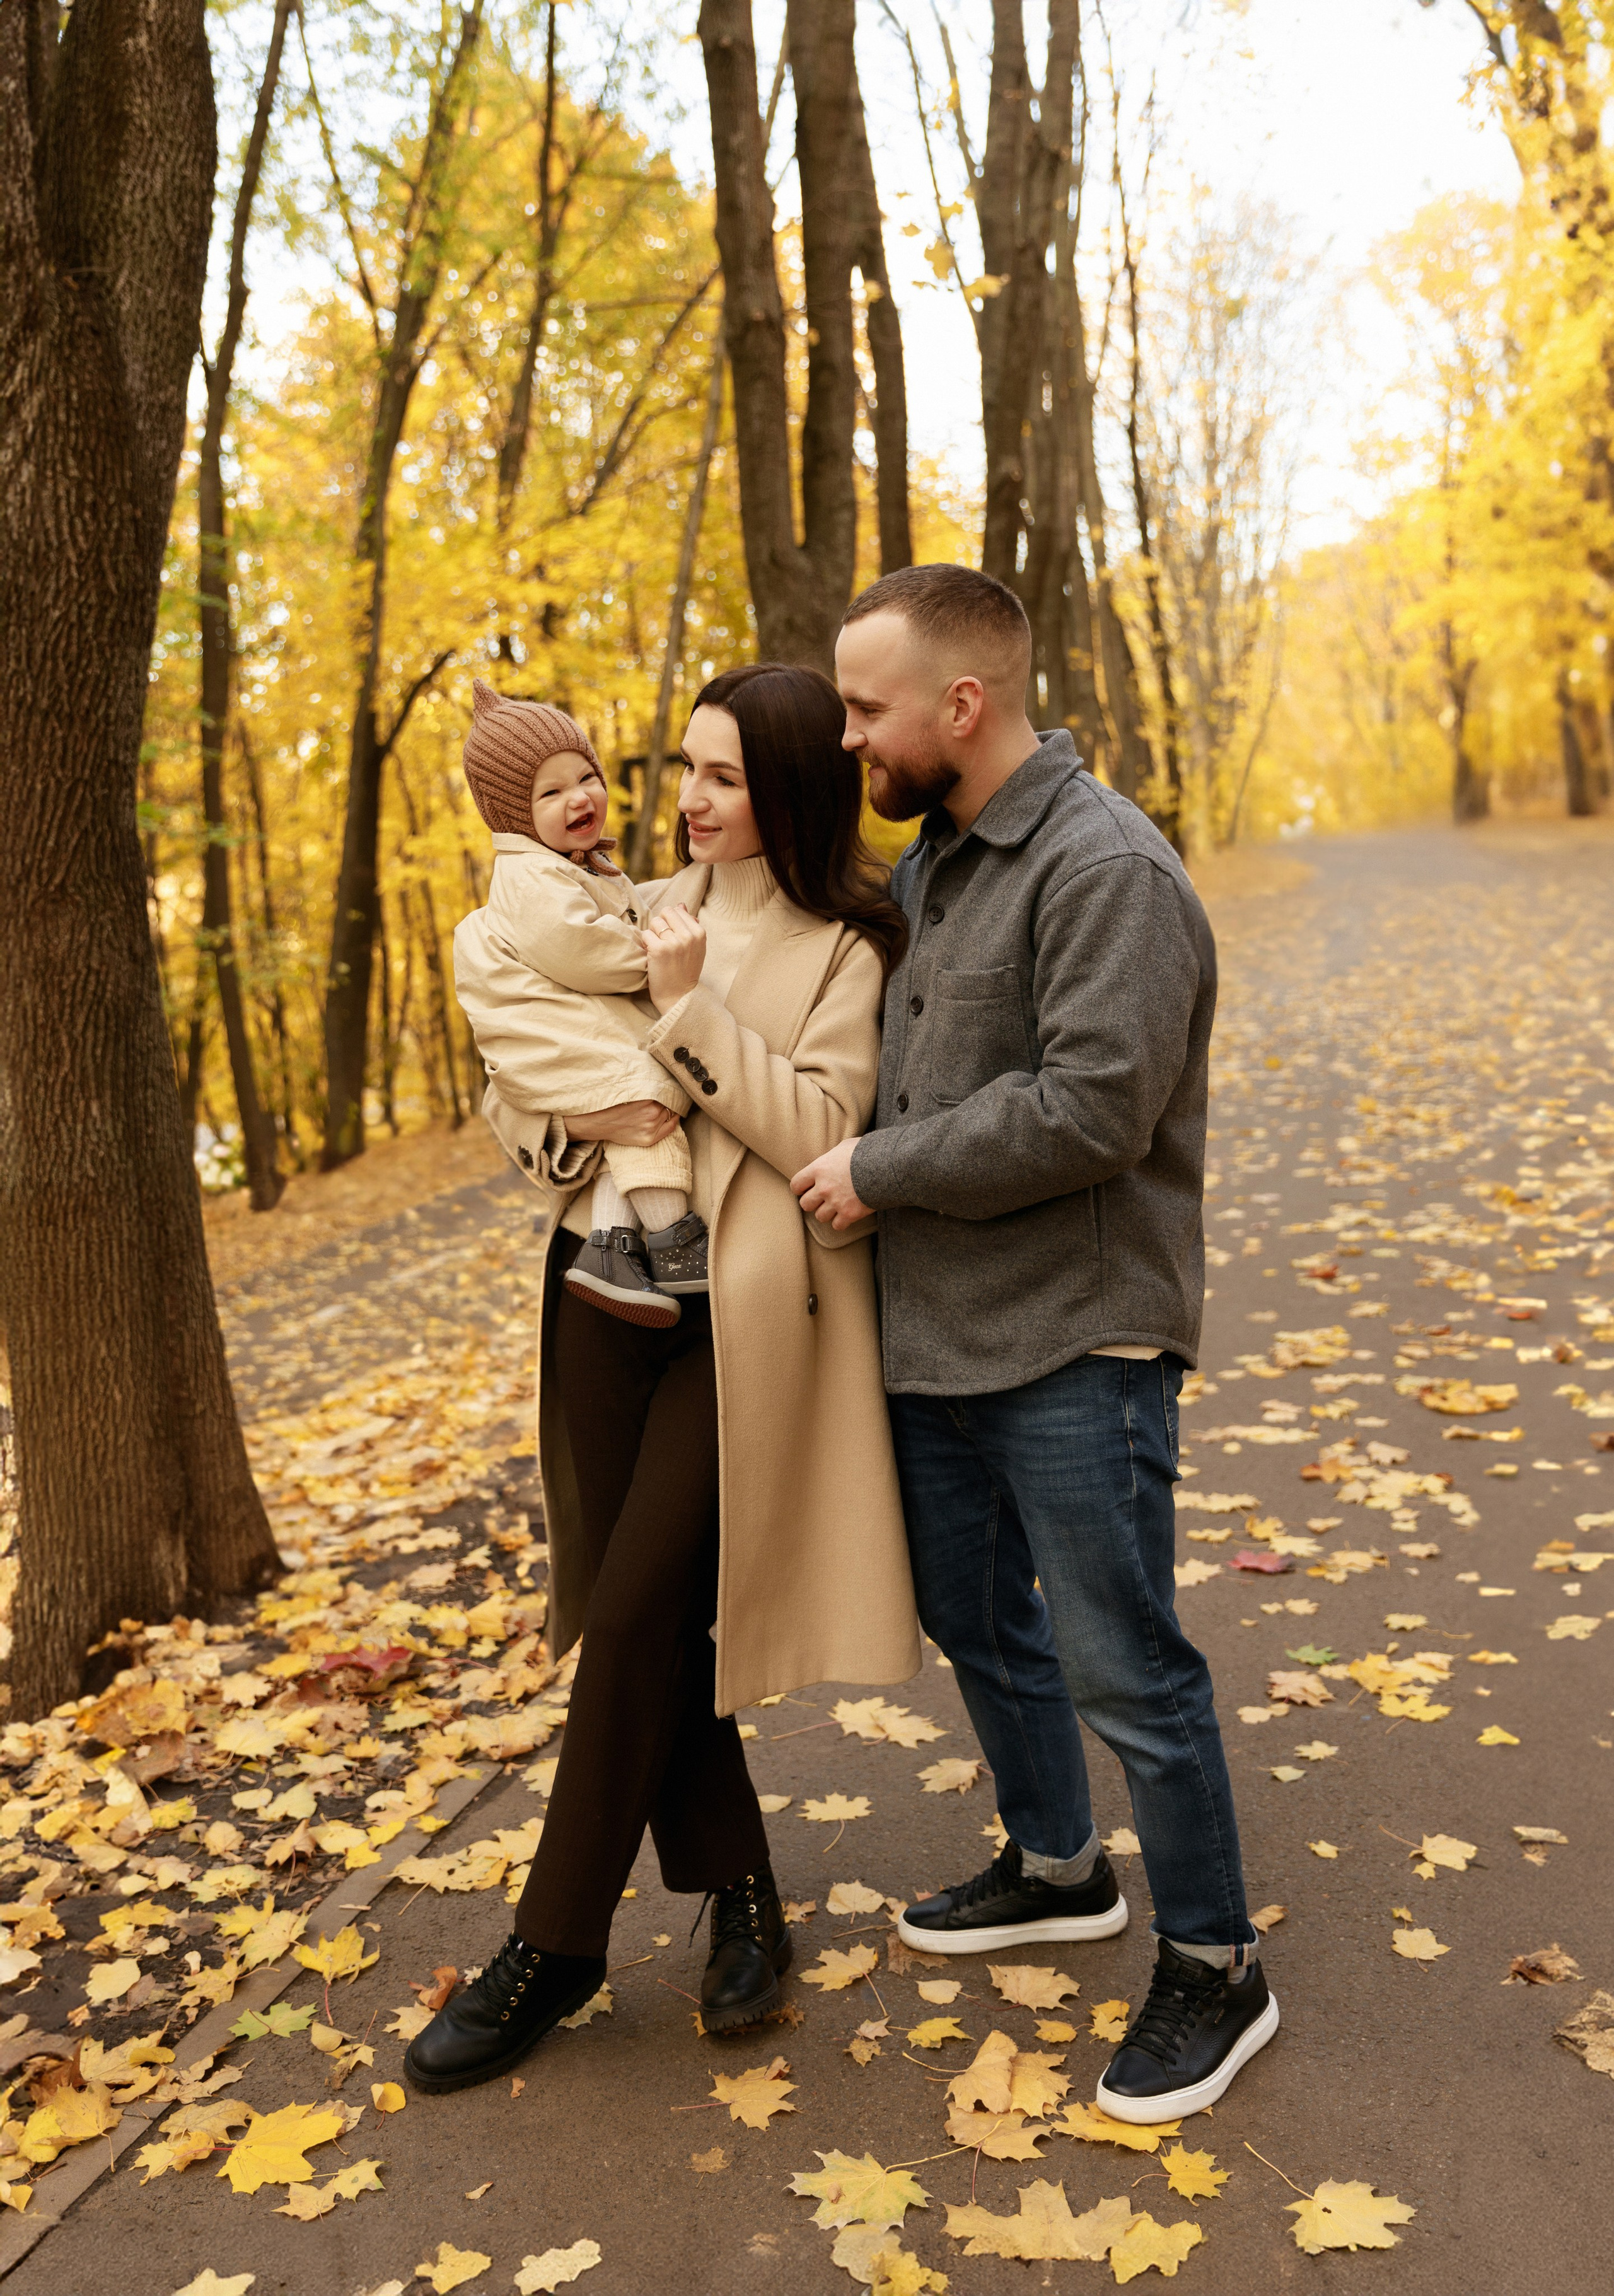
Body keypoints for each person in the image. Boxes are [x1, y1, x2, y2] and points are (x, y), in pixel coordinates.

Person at [791, 563, 1278, 2125]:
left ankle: (1214, 1962)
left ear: (961, 704)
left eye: (865, 708)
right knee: (978, 1624)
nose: (848, 737)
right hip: (937, 1338)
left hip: (1076, 1339)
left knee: (1123, 1662)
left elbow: (1090, 1104)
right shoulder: (935, 861)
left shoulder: (1104, 866)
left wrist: (873, 1169)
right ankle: (1058, 1866)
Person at [409, 663, 919, 2094]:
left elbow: (821, 1126)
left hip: (742, 1323)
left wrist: (691, 1014)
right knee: (645, 1621)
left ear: (786, 793)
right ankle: (742, 1890)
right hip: (595, 1292)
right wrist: (560, 1141)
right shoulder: (616, 907)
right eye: (679, 771)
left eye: (719, 778)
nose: (682, 801)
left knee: (636, 1611)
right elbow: (523, 1074)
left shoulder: (842, 945)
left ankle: (555, 1940)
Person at [457, 678, 706, 1326]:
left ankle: (610, 1248)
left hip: (574, 1046)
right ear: (513, 813)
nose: (579, 797)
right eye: (550, 792)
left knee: (630, 1107)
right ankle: (673, 1238)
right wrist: (652, 960)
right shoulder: (530, 877)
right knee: (648, 1091)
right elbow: (579, 948)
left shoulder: (573, 864)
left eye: (586, 776)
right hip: (557, 1049)